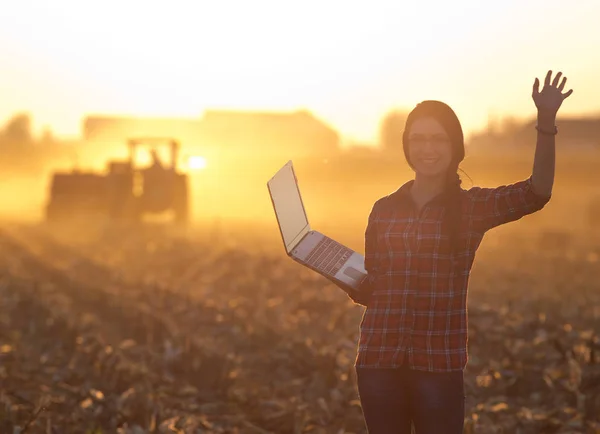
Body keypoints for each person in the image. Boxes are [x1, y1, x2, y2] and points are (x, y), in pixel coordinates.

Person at [349, 70, 573, 434]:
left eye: (437, 139)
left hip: (437, 365)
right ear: (406, 145)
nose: (427, 148)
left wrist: (545, 122)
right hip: (377, 360)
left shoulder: (471, 208)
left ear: (455, 145)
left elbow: (537, 192)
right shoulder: (383, 208)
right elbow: (373, 283)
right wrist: (346, 277)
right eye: (418, 139)